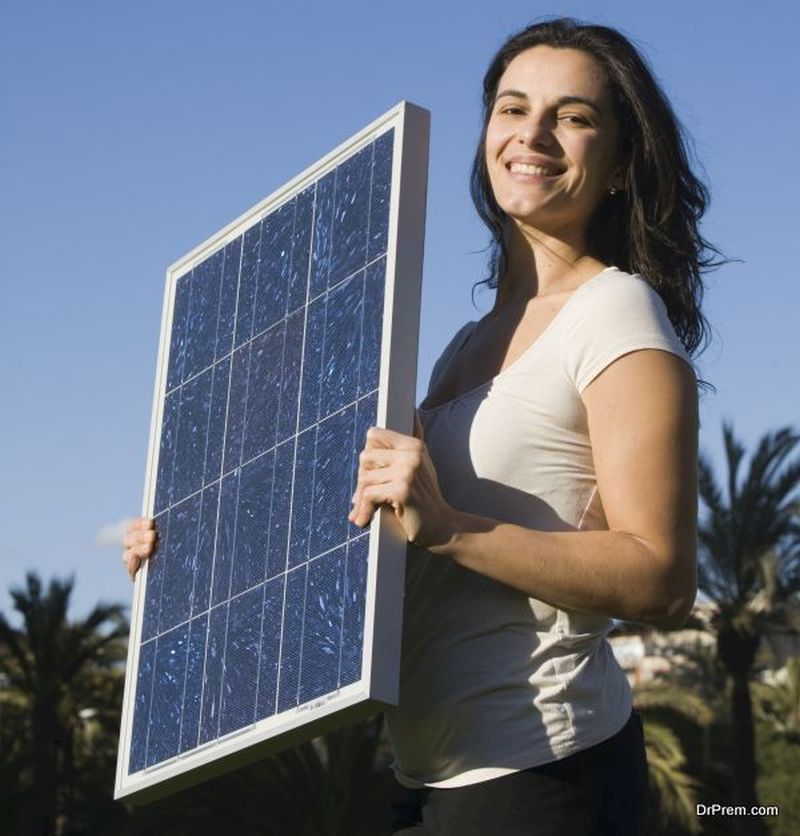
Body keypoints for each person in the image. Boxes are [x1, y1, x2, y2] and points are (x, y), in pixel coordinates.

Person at [124, 17, 716, 835]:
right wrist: (191, 560)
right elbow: (347, 539)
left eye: (574, 117)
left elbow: (662, 577)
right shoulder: (465, 345)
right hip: (424, 779)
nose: (533, 134)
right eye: (513, 109)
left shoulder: (616, 312)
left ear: (618, 164)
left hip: (545, 771)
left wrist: (452, 529)